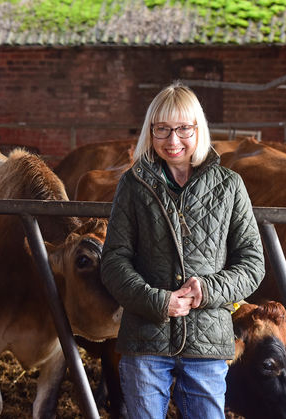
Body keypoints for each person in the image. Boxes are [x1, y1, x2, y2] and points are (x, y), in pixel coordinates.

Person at [101, 81, 265, 419]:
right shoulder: (132, 185)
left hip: (207, 340)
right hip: (145, 337)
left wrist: (207, 289)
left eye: (182, 129)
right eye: (162, 129)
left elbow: (252, 263)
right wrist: (158, 301)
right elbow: (114, 261)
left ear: (197, 129)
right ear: (151, 131)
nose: (172, 141)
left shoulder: (229, 185)